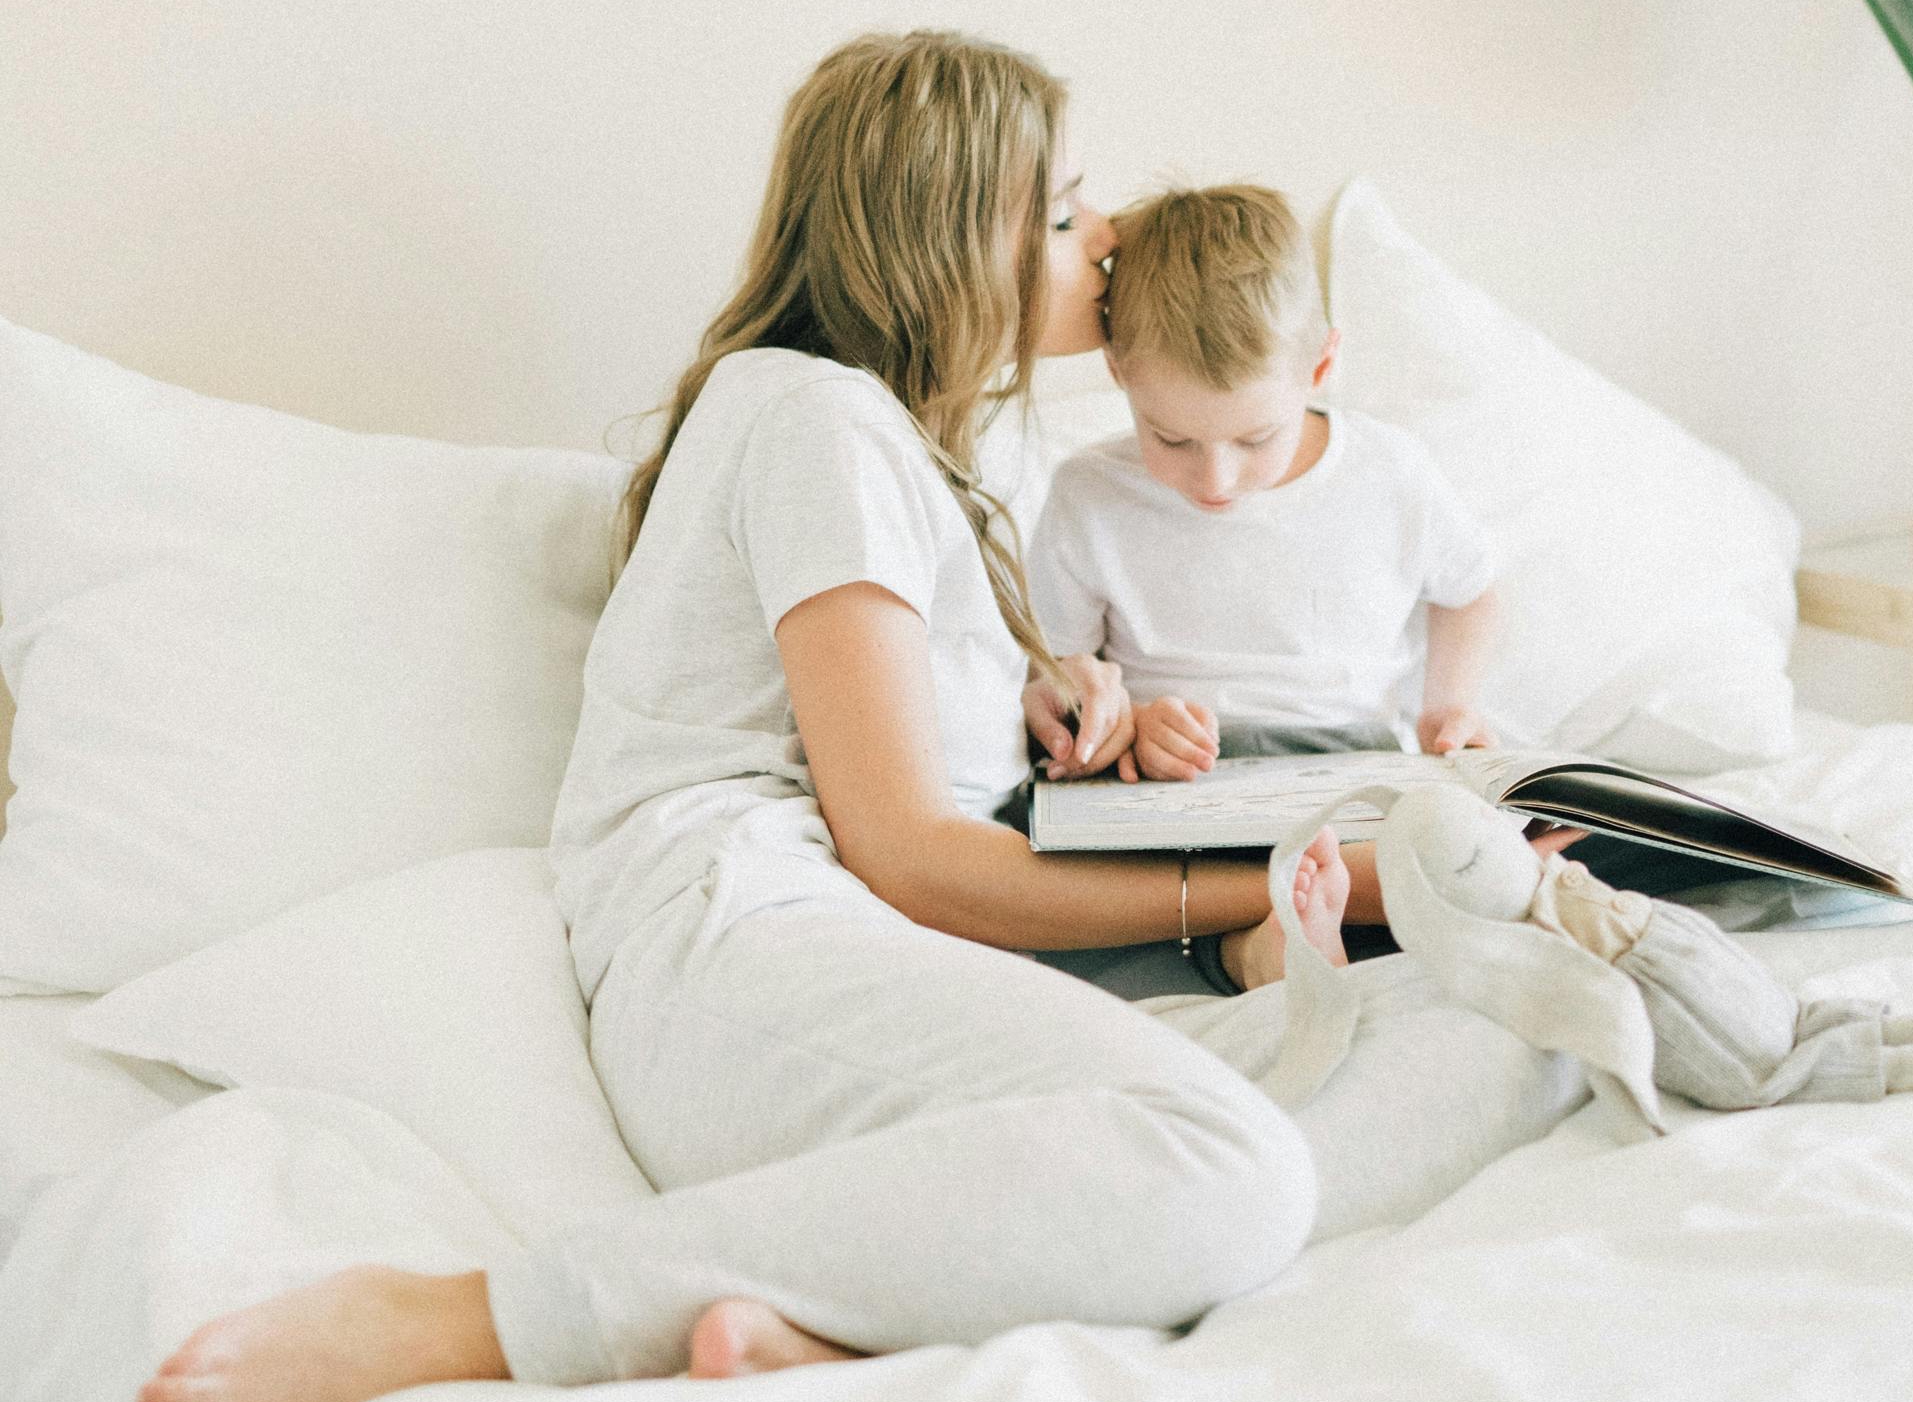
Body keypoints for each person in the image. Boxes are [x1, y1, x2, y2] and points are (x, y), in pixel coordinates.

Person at [139, 32, 1580, 1402]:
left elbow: (913, 775)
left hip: (877, 953)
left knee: (1517, 1029)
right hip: (745, 944)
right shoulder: (812, 418)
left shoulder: (908, 447)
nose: (1113, 239)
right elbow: (907, 851)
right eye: (1071, 212)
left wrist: (1063, 716)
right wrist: (1253, 880)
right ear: (958, 239)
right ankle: (483, 1313)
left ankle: (833, 1322)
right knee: (1232, 1167)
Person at [1027, 183, 1503, 782]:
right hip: (1164, 773)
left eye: (1254, 440)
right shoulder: (1089, 495)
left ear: (1319, 370)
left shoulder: (1390, 471)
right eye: (1171, 439)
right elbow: (1059, 669)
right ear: (1118, 371)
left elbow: (1470, 592)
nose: (1214, 479)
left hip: (1356, 762)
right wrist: (1126, 722)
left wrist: (1449, 703)